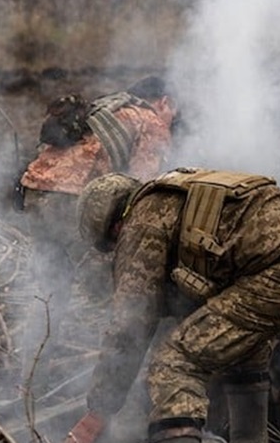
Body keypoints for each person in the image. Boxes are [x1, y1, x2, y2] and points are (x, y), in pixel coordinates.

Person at [62, 167, 280, 443]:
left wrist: (96, 414)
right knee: (237, 342)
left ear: (114, 226)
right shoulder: (176, 196)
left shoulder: (142, 219)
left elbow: (131, 323)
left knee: (175, 363)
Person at [15, 76, 178, 292]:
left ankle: (42, 324)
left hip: (33, 192)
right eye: (173, 115)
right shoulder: (152, 121)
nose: (171, 122)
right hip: (69, 201)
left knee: (53, 276)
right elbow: (144, 187)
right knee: (105, 281)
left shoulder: (107, 108)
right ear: (164, 102)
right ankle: (109, 325)